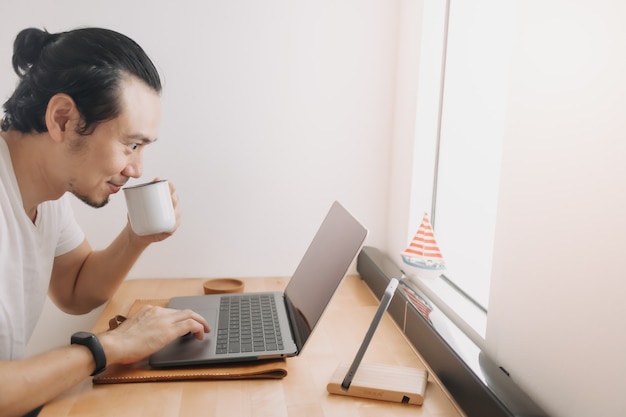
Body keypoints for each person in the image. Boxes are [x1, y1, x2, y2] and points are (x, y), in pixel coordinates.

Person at [0, 27, 210, 417]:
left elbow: (75, 288)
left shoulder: (48, 194)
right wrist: (108, 347)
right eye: (131, 144)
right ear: (62, 119)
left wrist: (137, 237)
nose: (136, 168)